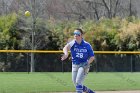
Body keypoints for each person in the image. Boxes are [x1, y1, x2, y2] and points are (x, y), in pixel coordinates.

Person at [61, 28, 95, 93]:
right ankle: (90, 92)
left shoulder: (87, 45)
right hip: (74, 65)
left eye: (78, 34)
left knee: (78, 81)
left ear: (81, 35)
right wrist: (66, 54)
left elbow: (92, 57)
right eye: (74, 34)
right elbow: (65, 47)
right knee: (76, 83)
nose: (75, 36)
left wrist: (87, 63)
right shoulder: (73, 43)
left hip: (84, 65)